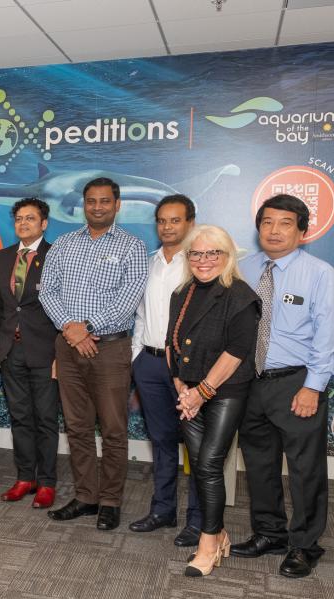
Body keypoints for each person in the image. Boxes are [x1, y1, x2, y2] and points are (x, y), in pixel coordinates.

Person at [231, 194, 334, 579]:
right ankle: (269, 534)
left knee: (304, 469)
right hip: (250, 381)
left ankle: (305, 545)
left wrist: (313, 387)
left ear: (301, 231)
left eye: (284, 223)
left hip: (297, 382)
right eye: (267, 222)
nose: (274, 231)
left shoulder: (319, 273)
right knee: (259, 464)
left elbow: (328, 336)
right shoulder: (244, 269)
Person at [39, 177, 148, 530]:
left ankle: (110, 501)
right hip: (68, 346)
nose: (97, 207)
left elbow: (128, 299)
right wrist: (71, 329)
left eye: (104, 201)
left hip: (110, 348)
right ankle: (86, 496)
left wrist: (85, 326)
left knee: (114, 429)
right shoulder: (64, 244)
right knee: (77, 426)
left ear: (117, 205)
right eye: (91, 201)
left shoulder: (132, 247)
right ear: (83, 204)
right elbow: (47, 291)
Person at [166, 224, 261, 577]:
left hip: (225, 392)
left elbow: (236, 352)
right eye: (196, 253)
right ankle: (218, 533)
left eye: (212, 253)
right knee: (199, 466)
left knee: (208, 464)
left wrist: (200, 393)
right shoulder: (182, 293)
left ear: (227, 256)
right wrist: (180, 385)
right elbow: (171, 342)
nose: (203, 260)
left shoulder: (241, 296)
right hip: (188, 393)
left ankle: (208, 544)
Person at [128, 194, 204, 545]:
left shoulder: (200, 264)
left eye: (175, 220)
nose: (167, 227)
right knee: (161, 441)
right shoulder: (149, 263)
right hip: (150, 363)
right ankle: (163, 510)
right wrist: (136, 358)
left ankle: (198, 520)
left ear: (190, 223)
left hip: (189, 369)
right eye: (162, 221)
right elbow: (141, 315)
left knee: (197, 445)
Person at [0, 198, 60, 509]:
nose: (23, 223)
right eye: (19, 218)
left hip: (46, 351)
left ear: (44, 223)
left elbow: (65, 305)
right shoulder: (3, 257)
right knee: (20, 417)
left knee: (45, 418)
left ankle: (47, 482)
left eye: (30, 218)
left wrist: (61, 353)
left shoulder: (56, 255)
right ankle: (25, 477)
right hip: (10, 350)